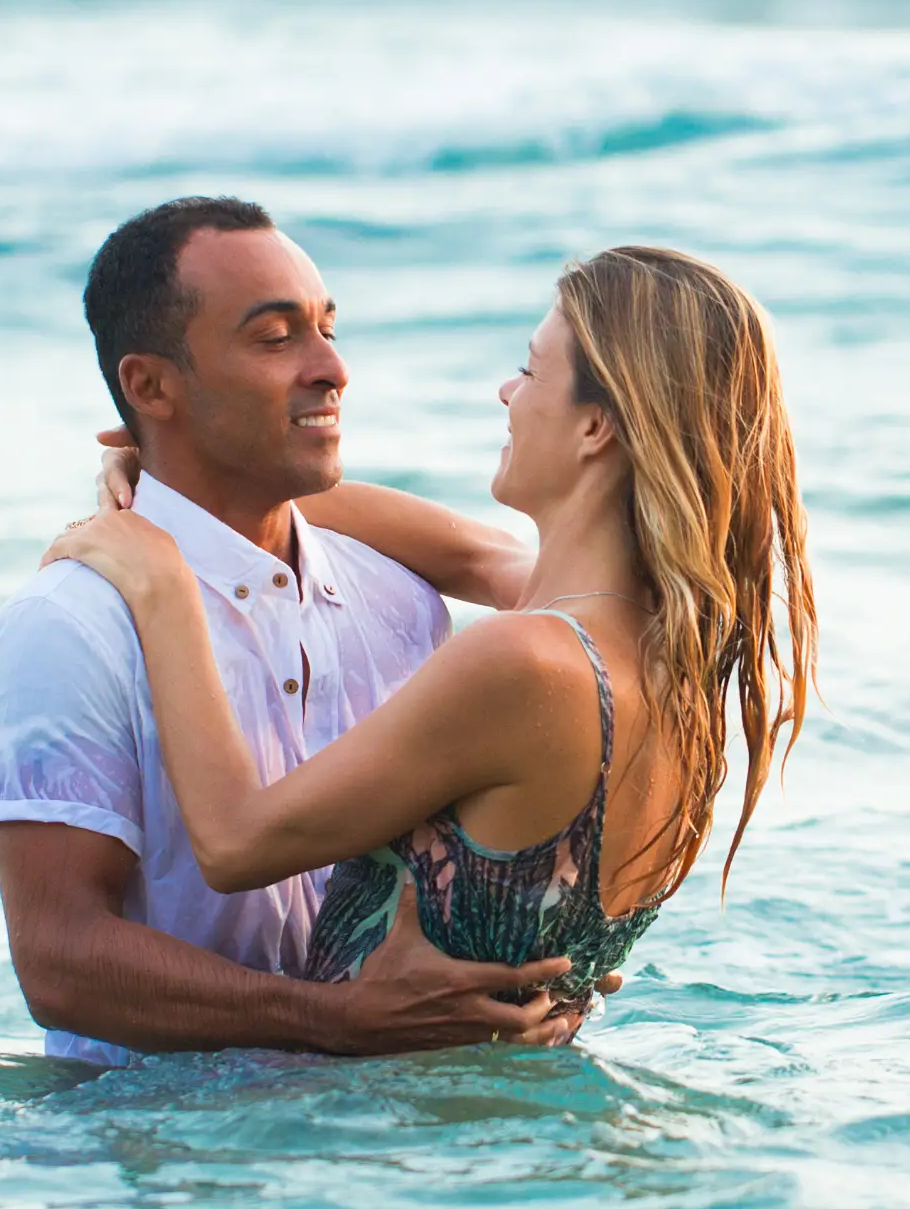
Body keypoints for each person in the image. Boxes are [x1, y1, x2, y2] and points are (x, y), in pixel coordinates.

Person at [41, 241, 814, 1026]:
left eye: (532, 369)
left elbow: (235, 842)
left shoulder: (525, 662)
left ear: (596, 428)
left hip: (386, 1133)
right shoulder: (666, 653)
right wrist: (177, 473)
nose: (507, 390)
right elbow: (471, 552)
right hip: (514, 1133)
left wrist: (163, 581)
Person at [0, 198, 593, 1061]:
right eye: (276, 338)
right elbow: (58, 960)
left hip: (372, 1140)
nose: (333, 367)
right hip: (155, 1152)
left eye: (328, 328)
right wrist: (326, 1019)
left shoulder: (402, 601)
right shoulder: (69, 627)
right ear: (152, 385)